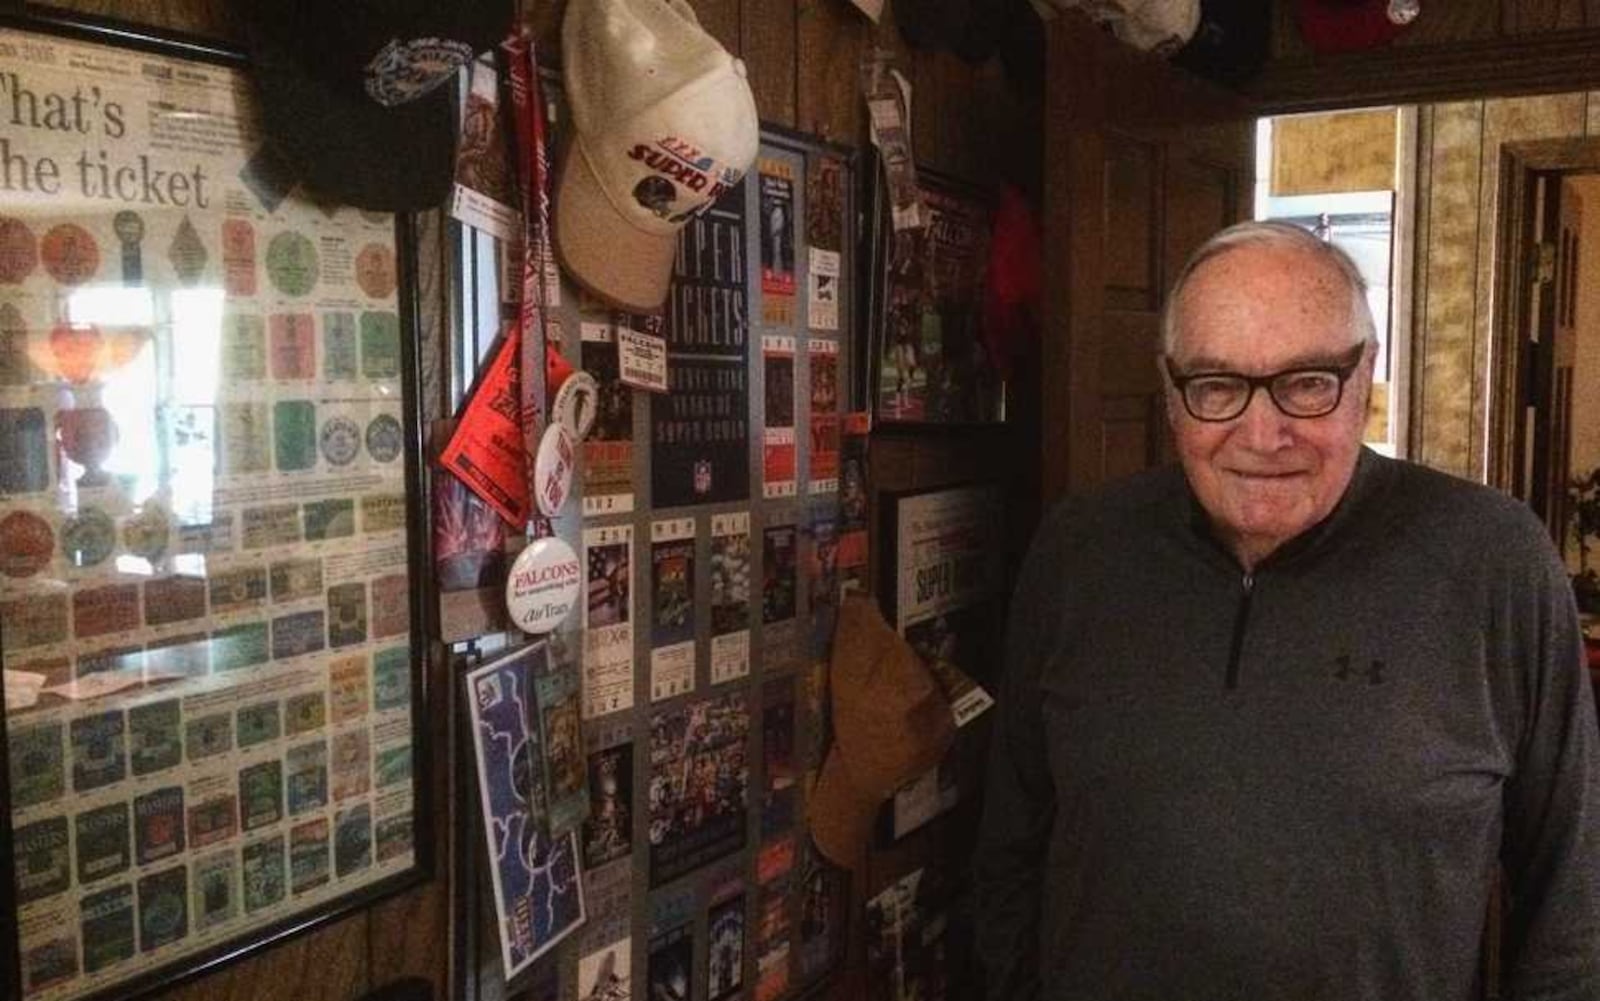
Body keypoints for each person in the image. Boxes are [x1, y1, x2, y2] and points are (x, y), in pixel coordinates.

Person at [975, 220, 1600, 1000]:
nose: (1262, 434)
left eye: (1307, 383)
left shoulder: (1493, 562)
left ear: (1365, 373)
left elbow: (1577, 892)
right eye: (1217, 386)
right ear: (1171, 394)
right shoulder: (1076, 552)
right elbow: (1009, 848)